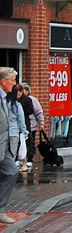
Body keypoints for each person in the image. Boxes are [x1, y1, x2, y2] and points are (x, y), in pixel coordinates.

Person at [0, 67, 22, 224]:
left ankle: (1, 209)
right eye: (12, 81)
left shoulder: (5, 98)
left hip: (4, 145)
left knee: (12, 172)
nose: (14, 85)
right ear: (3, 81)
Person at [22, 84, 42, 171]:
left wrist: (41, 122)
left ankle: (29, 159)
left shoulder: (33, 100)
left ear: (26, 91)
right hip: (23, 126)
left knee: (30, 142)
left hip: (32, 125)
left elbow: (38, 112)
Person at [14, 85, 33, 172]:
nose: (18, 93)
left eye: (19, 92)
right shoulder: (12, 101)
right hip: (15, 127)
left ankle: (25, 162)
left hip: (24, 124)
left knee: (23, 144)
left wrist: (21, 110)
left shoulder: (27, 100)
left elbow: (31, 111)